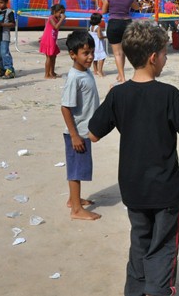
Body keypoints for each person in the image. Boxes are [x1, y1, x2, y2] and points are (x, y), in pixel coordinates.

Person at [88, 21, 179, 296]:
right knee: (163, 244)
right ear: (153, 58)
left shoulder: (118, 94)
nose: (165, 58)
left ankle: (135, 290)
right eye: (164, 54)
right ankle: (159, 290)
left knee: (140, 239)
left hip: (133, 187)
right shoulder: (169, 94)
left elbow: (92, 133)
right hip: (165, 189)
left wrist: (116, 107)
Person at [60, 30, 102, 221]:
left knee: (80, 167)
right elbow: (66, 108)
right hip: (77, 133)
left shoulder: (85, 72)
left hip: (85, 130)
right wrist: (74, 135)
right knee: (76, 169)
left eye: (92, 52)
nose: (90, 57)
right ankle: (76, 210)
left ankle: (73, 199)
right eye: (85, 53)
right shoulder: (74, 78)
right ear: (73, 54)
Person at [101, 0, 140, 83]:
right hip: (126, 23)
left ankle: (121, 76)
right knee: (123, 52)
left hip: (114, 24)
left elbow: (104, 11)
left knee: (117, 53)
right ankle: (120, 74)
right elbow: (136, 7)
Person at [39, 3, 66, 79]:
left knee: (54, 56)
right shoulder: (51, 18)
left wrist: (60, 19)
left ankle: (52, 72)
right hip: (49, 40)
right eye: (60, 12)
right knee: (49, 57)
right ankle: (47, 74)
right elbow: (56, 27)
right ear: (55, 12)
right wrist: (62, 19)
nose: (62, 14)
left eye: (63, 13)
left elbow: (49, 29)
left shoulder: (56, 19)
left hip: (52, 40)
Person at [88, 12, 107, 77]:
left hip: (93, 44)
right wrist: (106, 36)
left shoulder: (91, 27)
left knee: (95, 58)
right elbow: (99, 36)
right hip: (98, 44)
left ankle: (95, 71)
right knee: (102, 57)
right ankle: (100, 71)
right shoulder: (98, 27)